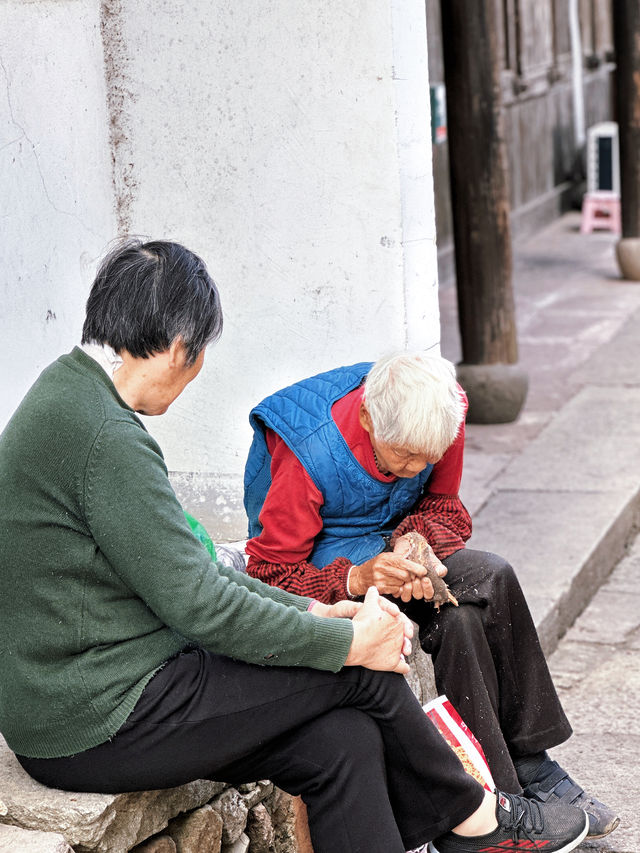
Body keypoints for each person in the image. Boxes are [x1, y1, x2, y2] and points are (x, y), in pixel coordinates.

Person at [0, 240, 590, 853]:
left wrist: (312, 611)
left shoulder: (71, 396)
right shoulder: (107, 439)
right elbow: (202, 605)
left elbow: (196, 573)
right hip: (95, 714)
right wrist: (346, 640)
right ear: (183, 347)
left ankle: (468, 821)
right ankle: (478, 824)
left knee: (342, 742)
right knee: (363, 675)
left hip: (106, 687)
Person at [244, 351, 619, 840]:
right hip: (324, 560)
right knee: (460, 600)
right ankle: (509, 807)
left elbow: (444, 505)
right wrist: (357, 579)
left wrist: (417, 537)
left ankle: (524, 769)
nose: (415, 469)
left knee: (488, 582)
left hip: (391, 540)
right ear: (367, 418)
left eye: (428, 457)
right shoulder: (306, 450)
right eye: (403, 456)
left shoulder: (441, 416)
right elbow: (269, 573)